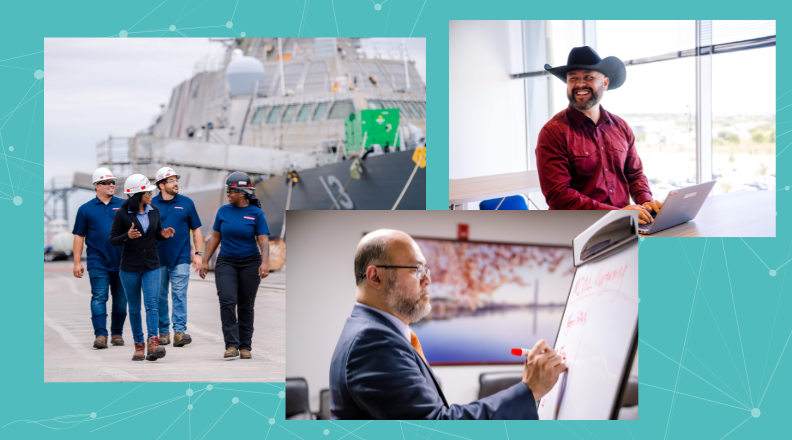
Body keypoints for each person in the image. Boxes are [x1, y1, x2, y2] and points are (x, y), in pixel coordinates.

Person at [329, 229, 567, 420]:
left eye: (427, 269)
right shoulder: (372, 341)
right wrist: (530, 389)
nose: (428, 279)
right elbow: (436, 428)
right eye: (416, 270)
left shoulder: (373, 331)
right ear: (375, 277)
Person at [536, 46, 663, 225]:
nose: (580, 84)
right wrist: (615, 214)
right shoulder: (553, 132)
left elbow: (634, 174)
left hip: (624, 225)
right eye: (573, 78)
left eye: (588, 77)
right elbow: (558, 195)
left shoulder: (621, 127)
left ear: (605, 83)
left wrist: (646, 202)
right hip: (577, 230)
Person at [200, 171, 270, 359]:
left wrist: (264, 262)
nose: (228, 194)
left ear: (241, 192)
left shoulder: (257, 214)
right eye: (228, 191)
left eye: (231, 191)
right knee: (227, 301)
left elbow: (262, 239)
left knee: (246, 306)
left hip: (250, 263)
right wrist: (205, 261)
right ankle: (231, 345)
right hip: (226, 263)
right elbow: (215, 236)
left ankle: (245, 346)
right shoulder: (223, 212)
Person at [109, 174, 175, 361]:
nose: (152, 194)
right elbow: (113, 240)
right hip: (129, 267)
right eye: (148, 192)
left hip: (152, 265)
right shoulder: (122, 214)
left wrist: (163, 234)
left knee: (152, 305)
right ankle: (139, 345)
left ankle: (152, 343)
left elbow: (155, 235)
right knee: (134, 308)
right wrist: (127, 236)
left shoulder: (154, 210)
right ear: (138, 194)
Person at [72, 168, 127, 349]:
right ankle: (101, 335)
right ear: (97, 186)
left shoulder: (125, 205)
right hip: (98, 260)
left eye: (112, 182)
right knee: (99, 297)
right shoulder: (85, 209)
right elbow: (79, 236)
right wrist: (77, 262)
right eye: (106, 182)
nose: (111, 185)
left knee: (120, 301)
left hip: (122, 261)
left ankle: (117, 334)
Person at [152, 167, 202, 348]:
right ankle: (163, 331)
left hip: (181, 258)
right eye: (171, 180)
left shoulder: (186, 203)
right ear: (161, 184)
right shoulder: (151, 203)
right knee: (159, 297)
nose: (176, 183)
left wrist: (198, 254)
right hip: (156, 259)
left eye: (176, 180)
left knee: (179, 294)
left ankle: (179, 332)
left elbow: (196, 229)